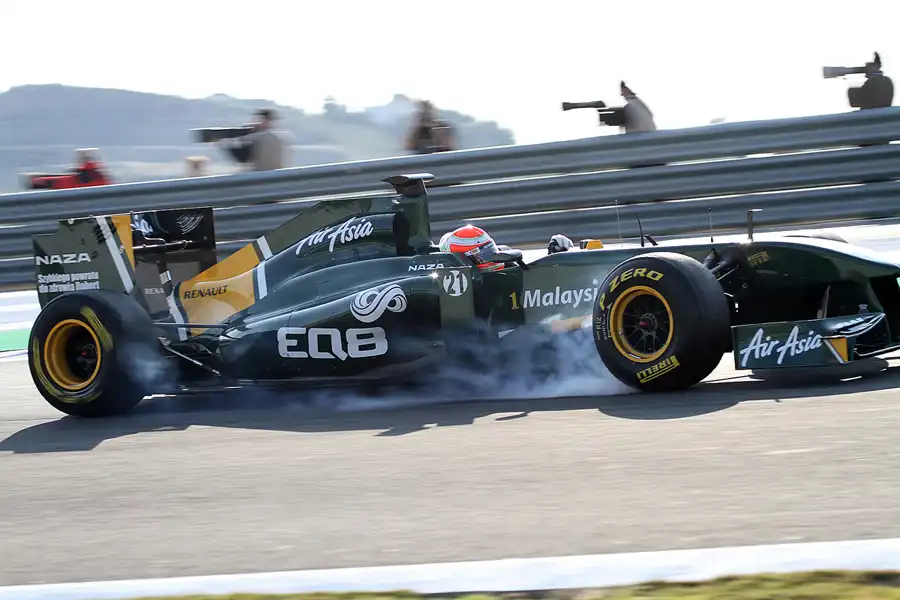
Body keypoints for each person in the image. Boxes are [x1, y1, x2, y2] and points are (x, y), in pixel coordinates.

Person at [219, 108, 291, 171]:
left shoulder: (258, 137)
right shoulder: (283, 137)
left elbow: (242, 157)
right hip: (277, 173)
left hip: (260, 175)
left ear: (264, 120)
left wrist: (226, 143)